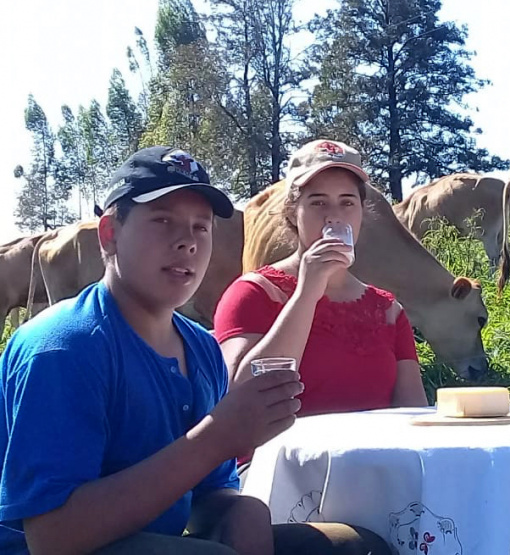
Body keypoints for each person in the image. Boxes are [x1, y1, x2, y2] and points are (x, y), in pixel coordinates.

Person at [0, 146, 389, 555]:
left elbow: (206, 494)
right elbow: (52, 536)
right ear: (110, 233)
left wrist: (238, 512)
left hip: (155, 538)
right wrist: (216, 438)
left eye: (201, 227)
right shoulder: (63, 347)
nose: (186, 242)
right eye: (163, 221)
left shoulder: (201, 348)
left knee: (355, 547)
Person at [213, 140, 427, 448]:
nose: (333, 217)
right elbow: (237, 393)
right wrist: (306, 293)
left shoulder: (388, 310)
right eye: (318, 202)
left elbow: (413, 416)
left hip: (373, 471)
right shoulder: (253, 293)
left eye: (347, 202)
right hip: (283, 471)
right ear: (292, 212)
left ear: (362, 214)